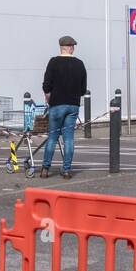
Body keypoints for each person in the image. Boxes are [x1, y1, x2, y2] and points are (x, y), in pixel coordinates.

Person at [40, 35, 86, 178]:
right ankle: (66, 169)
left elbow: (46, 84)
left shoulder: (53, 62)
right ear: (70, 47)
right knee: (69, 139)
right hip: (73, 106)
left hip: (56, 105)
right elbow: (83, 89)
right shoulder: (80, 64)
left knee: (53, 137)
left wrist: (48, 95)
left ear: (61, 47)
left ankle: (45, 169)